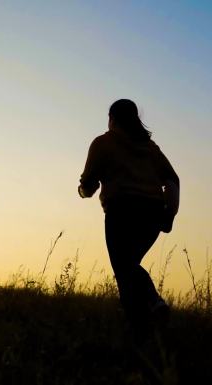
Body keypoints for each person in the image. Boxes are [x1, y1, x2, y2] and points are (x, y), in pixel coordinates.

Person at [78, 99, 179, 337]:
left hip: (122, 211)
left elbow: (89, 185)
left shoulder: (103, 143)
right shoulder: (150, 148)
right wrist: (170, 215)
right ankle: (144, 330)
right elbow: (172, 180)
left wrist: (83, 191)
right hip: (153, 213)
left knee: (125, 267)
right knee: (128, 267)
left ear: (112, 118)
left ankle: (152, 307)